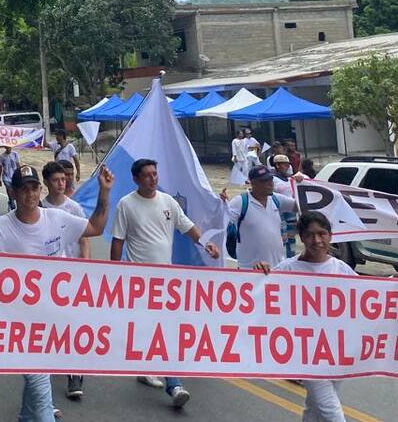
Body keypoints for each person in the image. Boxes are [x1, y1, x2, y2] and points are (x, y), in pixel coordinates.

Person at [0, 163, 115, 422]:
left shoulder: (57, 219)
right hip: (21, 327)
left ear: (40, 190)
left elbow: (95, 228)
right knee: (41, 389)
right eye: (23, 189)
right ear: (14, 193)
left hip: (52, 320)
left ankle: (26, 416)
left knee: (40, 382)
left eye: (34, 188)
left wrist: (104, 193)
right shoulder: (1, 227)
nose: (30, 194)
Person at [256, 211, 398, 421]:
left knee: (315, 406)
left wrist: (394, 281)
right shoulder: (288, 268)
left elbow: (368, 293)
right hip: (305, 354)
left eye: (322, 234)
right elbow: (260, 296)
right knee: (331, 411)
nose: (317, 240)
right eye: (310, 235)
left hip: (336, 351)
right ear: (302, 237)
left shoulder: (339, 268)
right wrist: (259, 273)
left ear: (330, 236)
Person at [111, 158, 220, 408]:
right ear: (137, 179)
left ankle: (150, 369)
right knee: (158, 329)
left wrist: (206, 244)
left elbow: (188, 227)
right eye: (147, 175)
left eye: (155, 174)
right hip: (140, 280)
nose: (153, 178)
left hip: (165, 282)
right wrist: (113, 274)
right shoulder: (126, 205)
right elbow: (118, 241)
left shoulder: (167, 201)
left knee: (160, 328)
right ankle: (174, 384)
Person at [40, 161, 89, 401]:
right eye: (57, 180)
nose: (62, 183)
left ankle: (75, 374)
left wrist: (84, 266)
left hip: (72, 276)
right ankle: (43, 382)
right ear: (46, 183)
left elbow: (85, 239)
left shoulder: (74, 208)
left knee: (73, 324)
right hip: (46, 279)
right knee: (49, 327)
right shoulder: (39, 208)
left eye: (64, 179)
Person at [222, 165, 298, 270]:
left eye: (271, 179)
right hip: (249, 270)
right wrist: (220, 205)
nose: (270, 183)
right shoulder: (240, 202)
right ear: (253, 183)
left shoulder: (276, 199)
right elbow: (222, 220)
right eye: (264, 181)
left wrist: (300, 184)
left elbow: (299, 206)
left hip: (277, 268)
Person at [0, 144, 20, 211]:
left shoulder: (15, 154)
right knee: (9, 189)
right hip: (6, 177)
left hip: (14, 176)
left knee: (14, 190)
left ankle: (10, 201)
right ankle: (12, 203)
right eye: (7, 147)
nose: (9, 149)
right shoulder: (2, 156)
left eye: (10, 147)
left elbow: (18, 165)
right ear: (5, 147)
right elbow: (0, 167)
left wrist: (20, 174)